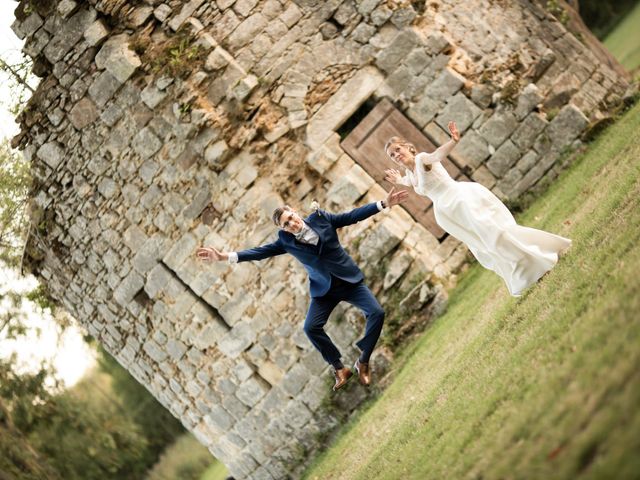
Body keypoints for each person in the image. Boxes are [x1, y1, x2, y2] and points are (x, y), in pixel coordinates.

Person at [196, 188, 409, 391]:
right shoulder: (285, 241)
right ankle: (340, 368)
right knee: (310, 328)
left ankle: (362, 361)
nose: (292, 223)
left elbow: (352, 216)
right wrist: (224, 257)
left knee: (377, 313)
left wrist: (383, 204)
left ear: (296, 212)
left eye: (291, 217)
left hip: (349, 281)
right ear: (283, 228)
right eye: (286, 224)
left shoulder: (321, 218)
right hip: (323, 291)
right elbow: (259, 252)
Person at [383, 121, 571, 296]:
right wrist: (399, 180)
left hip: (461, 200)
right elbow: (412, 182)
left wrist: (453, 141)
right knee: (483, 247)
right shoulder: (409, 172)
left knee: (495, 234)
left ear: (408, 147)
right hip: (447, 213)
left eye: (398, 149)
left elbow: (438, 155)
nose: (397, 155)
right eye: (392, 155)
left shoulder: (422, 159)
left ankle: (539, 259)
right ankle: (527, 271)